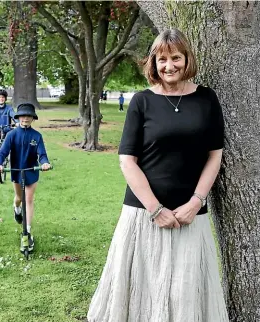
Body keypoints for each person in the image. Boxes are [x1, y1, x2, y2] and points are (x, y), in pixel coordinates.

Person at [87, 29, 228, 322]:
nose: (169, 66)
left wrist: (196, 202)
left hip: (190, 215)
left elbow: (215, 154)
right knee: (141, 293)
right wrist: (155, 209)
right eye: (162, 59)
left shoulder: (206, 99)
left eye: (176, 57)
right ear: (153, 63)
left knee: (185, 293)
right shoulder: (141, 101)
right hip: (143, 214)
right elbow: (127, 160)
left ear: (186, 58)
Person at [0, 103, 51, 252]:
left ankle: (27, 232)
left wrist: (44, 163)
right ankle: (16, 208)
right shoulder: (12, 135)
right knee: (19, 197)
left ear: (33, 118)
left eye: (28, 116)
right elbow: (2, 153)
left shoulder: (36, 136)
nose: (25, 118)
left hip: (31, 171)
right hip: (16, 171)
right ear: (18, 118)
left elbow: (42, 154)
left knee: (29, 199)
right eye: (23, 116)